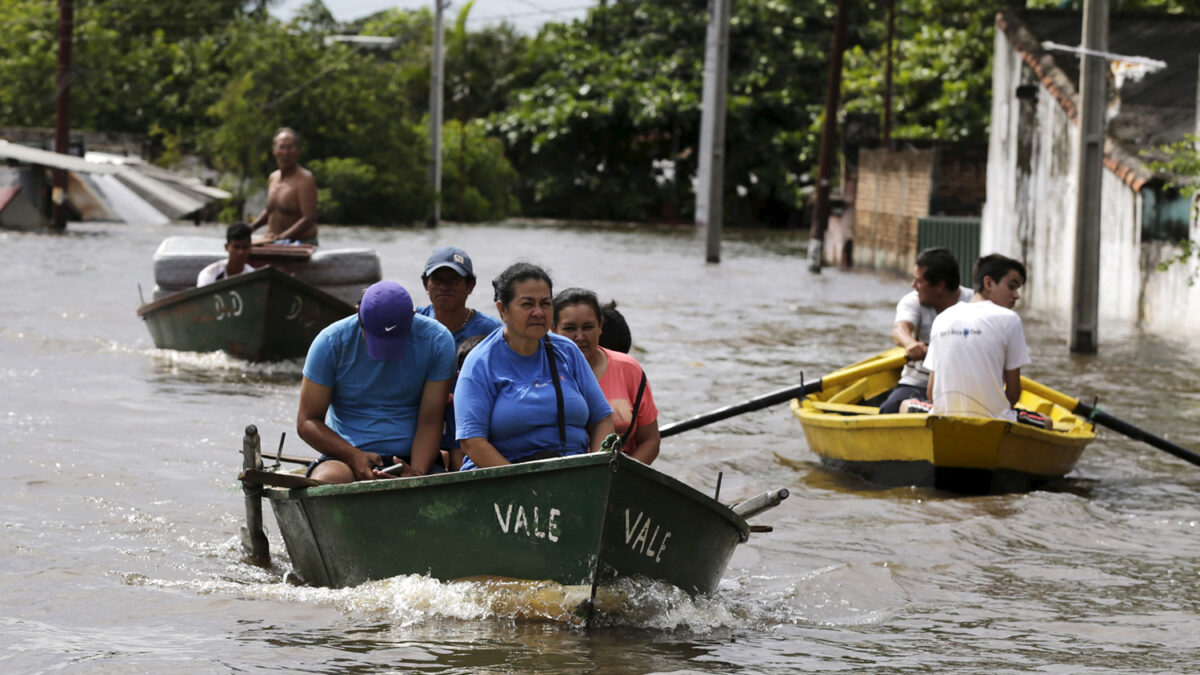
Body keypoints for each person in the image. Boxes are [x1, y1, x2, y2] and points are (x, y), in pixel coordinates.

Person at [453, 262, 614, 469]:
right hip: (504, 479)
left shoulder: (567, 350)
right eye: (527, 304)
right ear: (503, 310)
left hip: (573, 474)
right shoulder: (479, 362)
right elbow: (472, 443)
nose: (538, 312)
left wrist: (598, 467)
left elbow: (602, 419)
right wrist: (525, 485)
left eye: (545, 303)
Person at [297, 281, 456, 483]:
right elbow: (307, 422)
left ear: (413, 317)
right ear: (359, 314)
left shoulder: (438, 341)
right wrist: (354, 456)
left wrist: (416, 474)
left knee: (438, 492)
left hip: (414, 457)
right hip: (345, 455)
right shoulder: (330, 343)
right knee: (328, 480)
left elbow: (430, 420)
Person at [921, 253, 1037, 424]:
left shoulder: (942, 318)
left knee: (905, 405)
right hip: (994, 421)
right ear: (988, 283)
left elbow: (931, 393)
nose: (1016, 295)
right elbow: (1013, 393)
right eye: (1012, 287)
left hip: (943, 417)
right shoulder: (1009, 319)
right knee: (1047, 423)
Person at [415, 246, 503, 466]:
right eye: (438, 279)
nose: (444, 286)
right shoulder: (412, 323)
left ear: (470, 286)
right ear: (426, 284)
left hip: (469, 420)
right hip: (419, 417)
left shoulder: (492, 331)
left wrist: (459, 397)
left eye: (453, 279)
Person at [553, 288, 660, 465]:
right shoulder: (540, 371)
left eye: (588, 327)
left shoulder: (629, 369)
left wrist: (621, 477)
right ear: (553, 329)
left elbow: (650, 440)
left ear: (600, 326)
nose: (580, 337)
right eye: (570, 328)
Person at [878, 247, 975, 414]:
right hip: (917, 383)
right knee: (889, 409)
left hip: (962, 385)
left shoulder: (972, 303)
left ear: (940, 286)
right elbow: (900, 329)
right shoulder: (913, 301)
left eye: (918, 281)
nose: (913, 285)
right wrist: (911, 344)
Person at [249, 127, 319, 246]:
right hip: (273, 241)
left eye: (290, 147)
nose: (286, 152)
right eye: (282, 147)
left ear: (297, 150)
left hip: (299, 243)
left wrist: (282, 237)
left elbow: (309, 218)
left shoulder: (305, 179)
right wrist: (251, 228)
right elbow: (271, 210)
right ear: (274, 150)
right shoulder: (273, 177)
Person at [196, 222, 259, 286]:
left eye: (245, 247)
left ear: (250, 248)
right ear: (227, 247)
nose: (241, 252)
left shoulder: (254, 277)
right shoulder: (210, 274)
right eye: (236, 247)